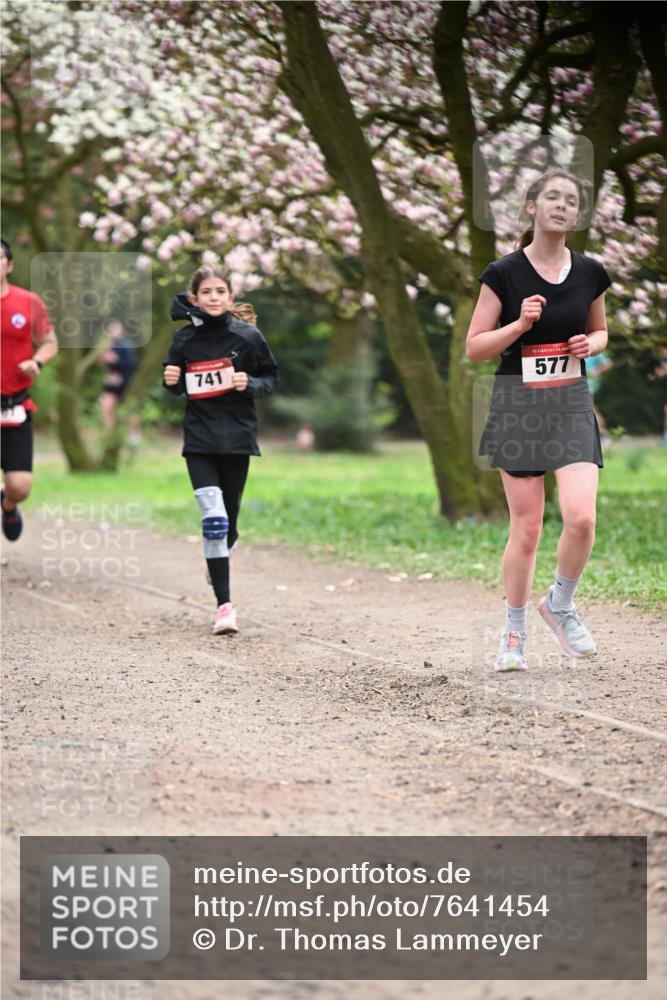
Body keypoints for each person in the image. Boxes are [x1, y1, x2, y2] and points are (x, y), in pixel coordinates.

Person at [466, 171, 612, 671]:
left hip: (570, 402)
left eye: (571, 201)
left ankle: (561, 604)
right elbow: (475, 347)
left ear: (577, 215)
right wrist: (520, 324)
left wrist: (588, 346)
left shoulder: (591, 272)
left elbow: (600, 332)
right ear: (531, 206)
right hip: (518, 405)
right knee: (526, 528)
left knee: (582, 517)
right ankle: (513, 630)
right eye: (552, 197)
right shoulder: (503, 273)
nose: (562, 206)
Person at [163, 264, 278, 635]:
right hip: (199, 439)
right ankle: (224, 607)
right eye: (207, 292)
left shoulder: (248, 336)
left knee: (228, 525)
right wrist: (171, 380)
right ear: (195, 298)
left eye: (220, 292)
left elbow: (270, 377)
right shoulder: (183, 341)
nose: (214, 298)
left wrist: (250, 383)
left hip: (238, 439)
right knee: (214, 520)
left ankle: (219, 561)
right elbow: (178, 385)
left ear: (230, 297)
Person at [1, 238, 58, 541]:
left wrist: (37, 361)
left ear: (8, 265)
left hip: (15, 406)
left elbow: (50, 342)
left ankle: (8, 505)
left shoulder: (28, 302)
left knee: (20, 486)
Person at [97, 318, 138, 431]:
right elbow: (102, 361)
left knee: (128, 408)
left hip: (124, 380)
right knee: (105, 405)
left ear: (121, 331)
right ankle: (109, 433)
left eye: (115, 329)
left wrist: (116, 360)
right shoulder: (108, 345)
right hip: (111, 381)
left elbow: (131, 364)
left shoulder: (126, 345)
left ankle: (134, 435)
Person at [585, 350, 613, 442]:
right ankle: (601, 434)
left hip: (589, 384)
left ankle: (602, 435)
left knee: (591, 409)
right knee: (592, 409)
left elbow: (608, 363)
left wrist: (597, 371)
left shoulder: (592, 348)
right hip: (579, 384)